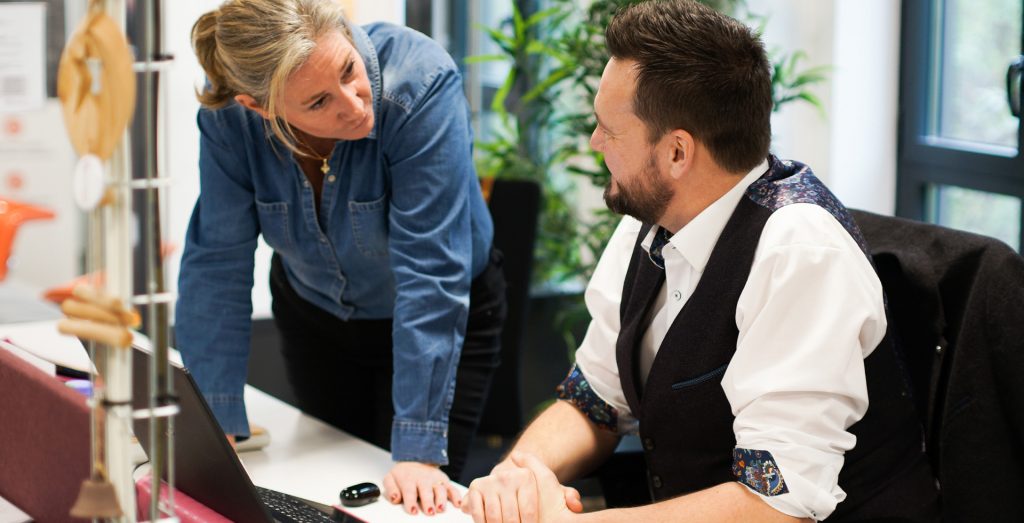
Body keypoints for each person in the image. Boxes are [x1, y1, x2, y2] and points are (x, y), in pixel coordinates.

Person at [462, 1, 940, 521]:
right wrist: (518, 476)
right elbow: (594, 400)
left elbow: (777, 503)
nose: (595, 142)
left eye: (609, 130)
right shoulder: (648, 222)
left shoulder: (799, 254)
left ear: (676, 153)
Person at [176, 0, 507, 515]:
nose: (355, 106)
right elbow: (217, 262)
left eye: (349, 70)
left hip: (438, 314)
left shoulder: (419, 82)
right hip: (317, 318)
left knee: (408, 500)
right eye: (318, 102)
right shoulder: (230, 121)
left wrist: (418, 449)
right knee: (331, 491)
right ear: (259, 108)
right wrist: (217, 423)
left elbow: (430, 270)